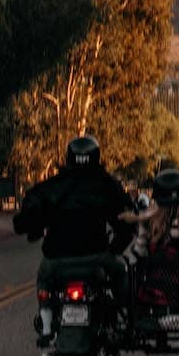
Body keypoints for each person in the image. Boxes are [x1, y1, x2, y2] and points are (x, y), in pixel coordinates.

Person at [14, 136, 134, 335]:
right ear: (96, 157)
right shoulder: (107, 186)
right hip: (96, 257)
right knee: (120, 271)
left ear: (69, 157)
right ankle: (126, 321)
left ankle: (46, 328)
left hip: (56, 259)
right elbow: (125, 221)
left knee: (44, 279)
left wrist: (32, 226)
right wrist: (115, 249)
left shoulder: (51, 186)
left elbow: (26, 217)